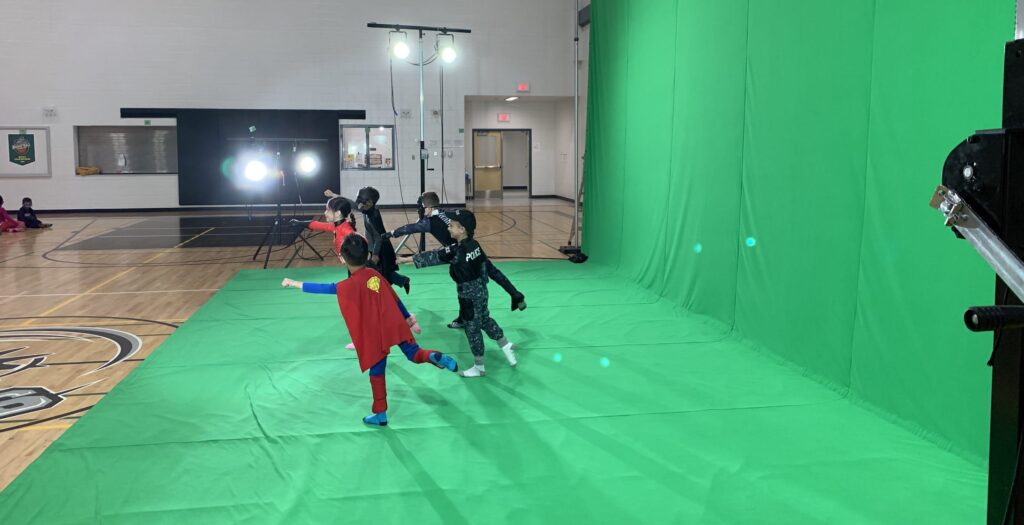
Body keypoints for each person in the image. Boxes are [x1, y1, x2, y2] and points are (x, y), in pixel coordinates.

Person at [281, 234, 459, 426]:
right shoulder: (374, 276)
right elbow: (394, 298)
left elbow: (325, 288)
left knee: (377, 373)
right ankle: (433, 355)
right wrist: (407, 318)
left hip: (375, 336)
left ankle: (381, 414)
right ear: (367, 255)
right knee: (415, 354)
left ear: (342, 259)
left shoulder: (346, 286)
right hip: (394, 323)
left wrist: (295, 283)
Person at [385, 191, 526, 329]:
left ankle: (464, 319)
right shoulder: (448, 213)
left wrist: (391, 234)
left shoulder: (429, 222)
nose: (420, 210)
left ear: (428, 208)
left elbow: (410, 228)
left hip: (458, 254)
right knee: (493, 271)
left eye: (421, 207)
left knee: (463, 287)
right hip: (473, 246)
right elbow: (467, 216)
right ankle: (516, 295)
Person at [406, 209, 516, 378]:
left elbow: (436, 256)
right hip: (481, 291)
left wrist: (406, 260)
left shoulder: (457, 250)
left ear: (462, 229)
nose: (448, 228)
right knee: (485, 319)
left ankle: (479, 367)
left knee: (472, 329)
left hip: (468, 297)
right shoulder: (475, 245)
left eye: (451, 226)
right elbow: (487, 268)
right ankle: (505, 344)